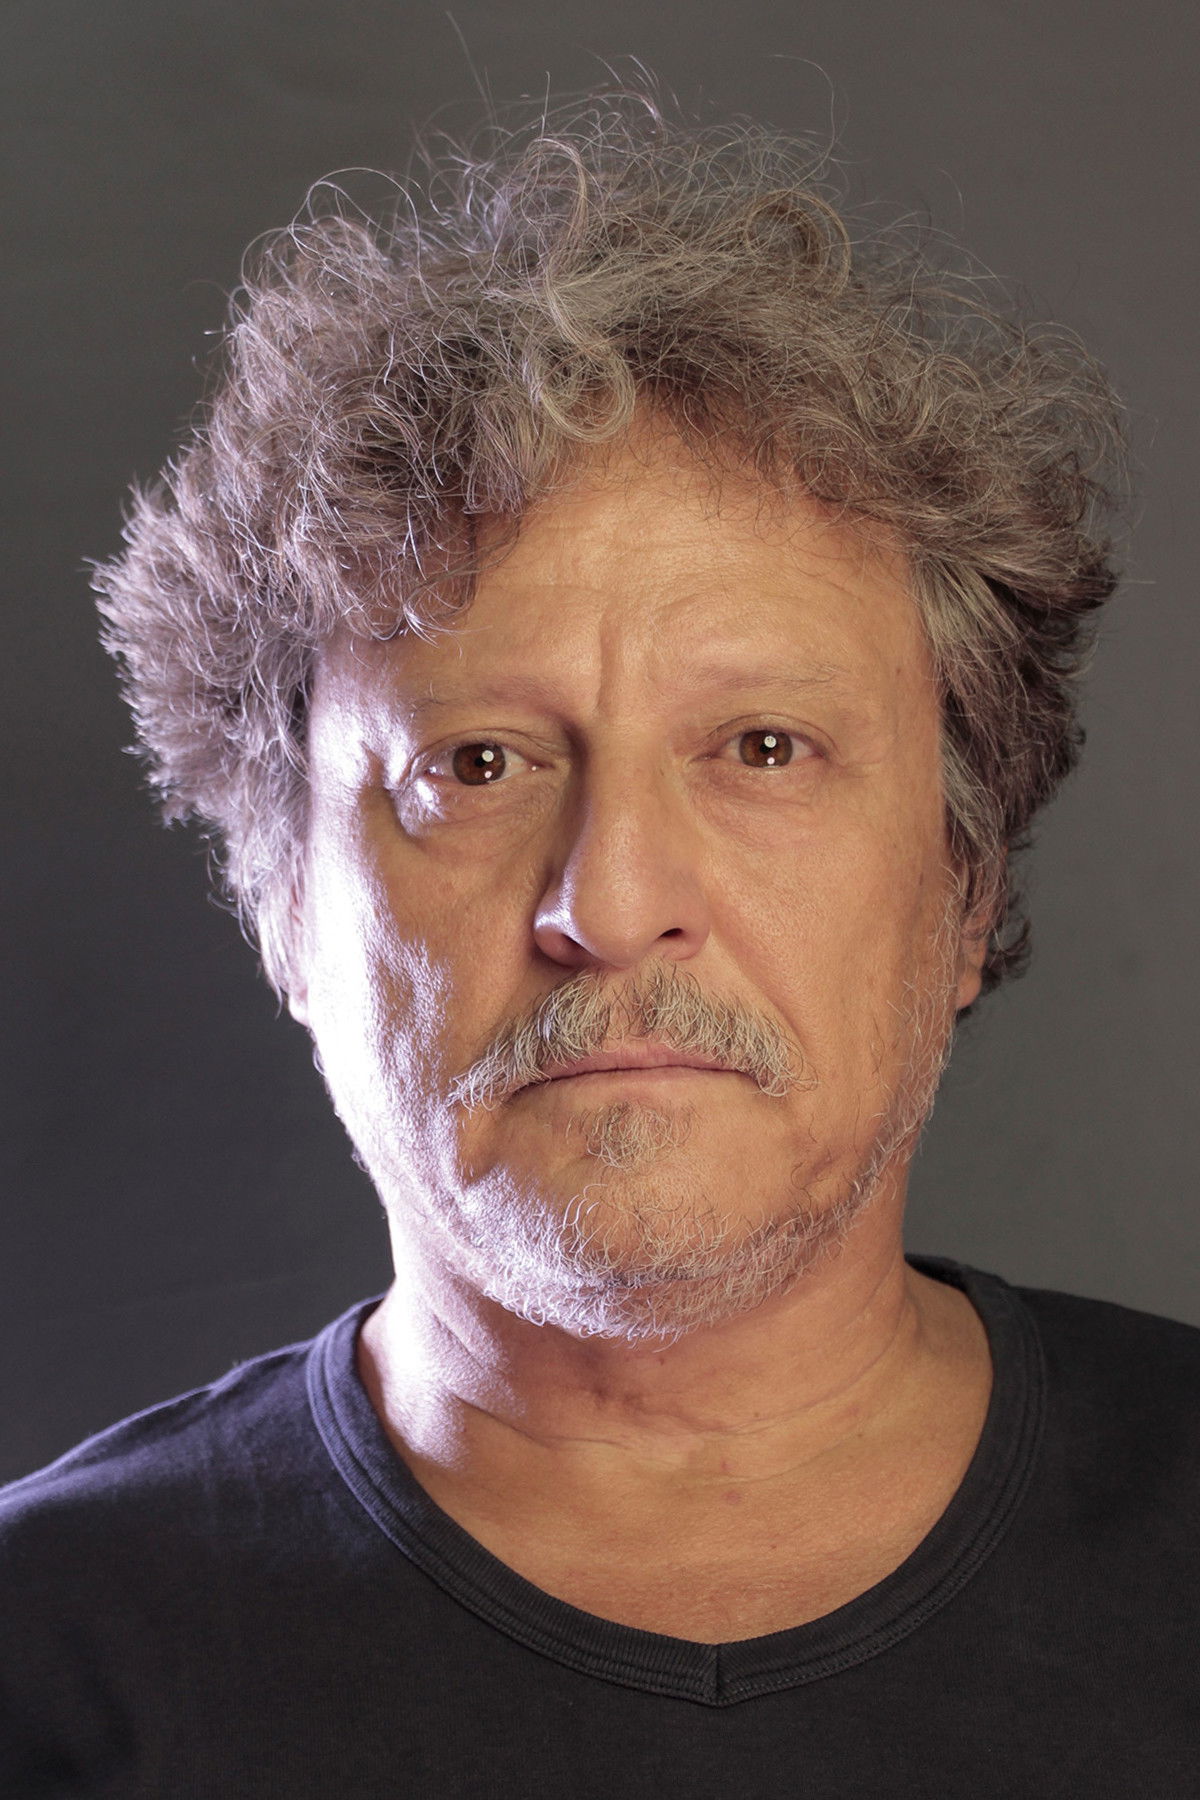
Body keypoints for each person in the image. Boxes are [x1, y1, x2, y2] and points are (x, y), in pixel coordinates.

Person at [3, 85, 1195, 1797]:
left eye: (764, 748)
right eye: (477, 766)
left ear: (963, 887)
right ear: (283, 911)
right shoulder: (44, 1670)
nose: (614, 904)